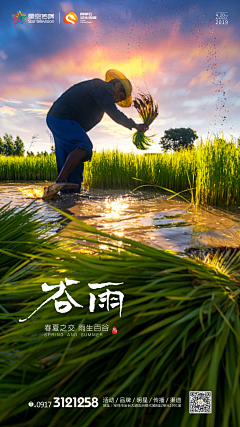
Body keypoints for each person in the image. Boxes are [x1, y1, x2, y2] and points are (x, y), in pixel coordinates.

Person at [45, 69, 149, 197]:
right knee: (83, 145)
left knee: (74, 169)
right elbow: (115, 113)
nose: (117, 100)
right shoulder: (101, 87)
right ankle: (60, 180)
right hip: (61, 118)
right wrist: (135, 125)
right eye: (121, 95)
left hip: (61, 121)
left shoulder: (101, 97)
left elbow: (108, 110)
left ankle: (66, 200)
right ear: (116, 85)